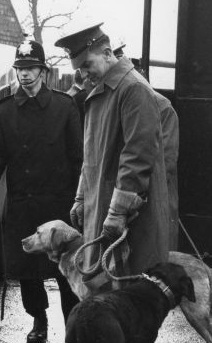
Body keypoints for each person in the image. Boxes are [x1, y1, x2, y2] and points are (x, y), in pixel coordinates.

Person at [0, 40, 83, 343]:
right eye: (20, 69)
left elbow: (78, 157)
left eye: (31, 68)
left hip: (60, 205)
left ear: (43, 71)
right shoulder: (5, 111)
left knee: (67, 270)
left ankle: (74, 326)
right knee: (28, 271)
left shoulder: (64, 107)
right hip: (24, 204)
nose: (25, 75)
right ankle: (38, 320)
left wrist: (82, 197)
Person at [54, 23, 169, 281]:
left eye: (87, 65)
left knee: (130, 300)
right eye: (79, 69)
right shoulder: (102, 90)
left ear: (108, 53)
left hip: (129, 219)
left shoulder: (133, 89)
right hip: (104, 210)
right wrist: (82, 197)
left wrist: (118, 212)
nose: (83, 75)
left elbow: (137, 156)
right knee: (107, 297)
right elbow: (91, 154)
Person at [112, 43, 180, 248]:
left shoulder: (162, 108)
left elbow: (163, 162)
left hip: (150, 198)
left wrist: (130, 190)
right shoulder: (115, 102)